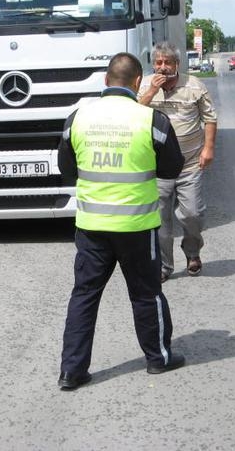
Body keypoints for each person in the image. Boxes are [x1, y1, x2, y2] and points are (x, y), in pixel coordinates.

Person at [57, 52, 186, 390]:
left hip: (91, 227)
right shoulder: (152, 120)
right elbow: (173, 168)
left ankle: (72, 371)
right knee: (146, 295)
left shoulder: (77, 118)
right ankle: (158, 357)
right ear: (137, 82)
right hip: (136, 227)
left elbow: (66, 170)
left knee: (84, 296)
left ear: (105, 80)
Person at [138, 42, 218, 283]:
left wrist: (209, 148)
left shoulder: (194, 86)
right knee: (160, 219)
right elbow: (131, 113)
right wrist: (151, 92)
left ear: (177, 64)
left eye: (168, 62)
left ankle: (192, 252)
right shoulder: (144, 85)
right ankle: (164, 265)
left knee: (192, 214)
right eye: (158, 63)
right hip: (157, 166)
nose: (163, 68)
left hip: (189, 162)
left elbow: (210, 118)